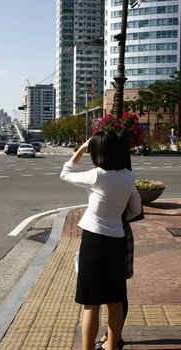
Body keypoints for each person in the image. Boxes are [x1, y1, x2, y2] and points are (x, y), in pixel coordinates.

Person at [60, 132, 141, 350]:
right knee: (115, 300)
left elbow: (65, 173)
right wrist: (115, 219)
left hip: (94, 242)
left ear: (99, 153)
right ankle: (111, 346)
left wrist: (81, 149)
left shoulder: (96, 175)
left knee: (91, 303)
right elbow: (136, 209)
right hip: (117, 240)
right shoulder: (128, 176)